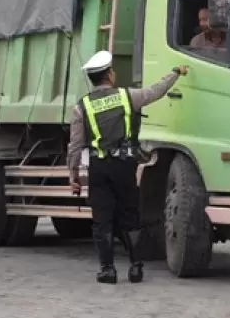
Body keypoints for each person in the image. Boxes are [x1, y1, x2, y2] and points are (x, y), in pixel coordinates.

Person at [67, 50, 188, 284]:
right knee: (130, 217)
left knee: (102, 220)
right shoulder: (127, 96)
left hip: (99, 169)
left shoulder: (81, 107)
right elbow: (156, 91)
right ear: (110, 75)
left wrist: (73, 176)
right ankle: (135, 268)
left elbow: (75, 146)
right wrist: (175, 73)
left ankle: (107, 270)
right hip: (125, 167)